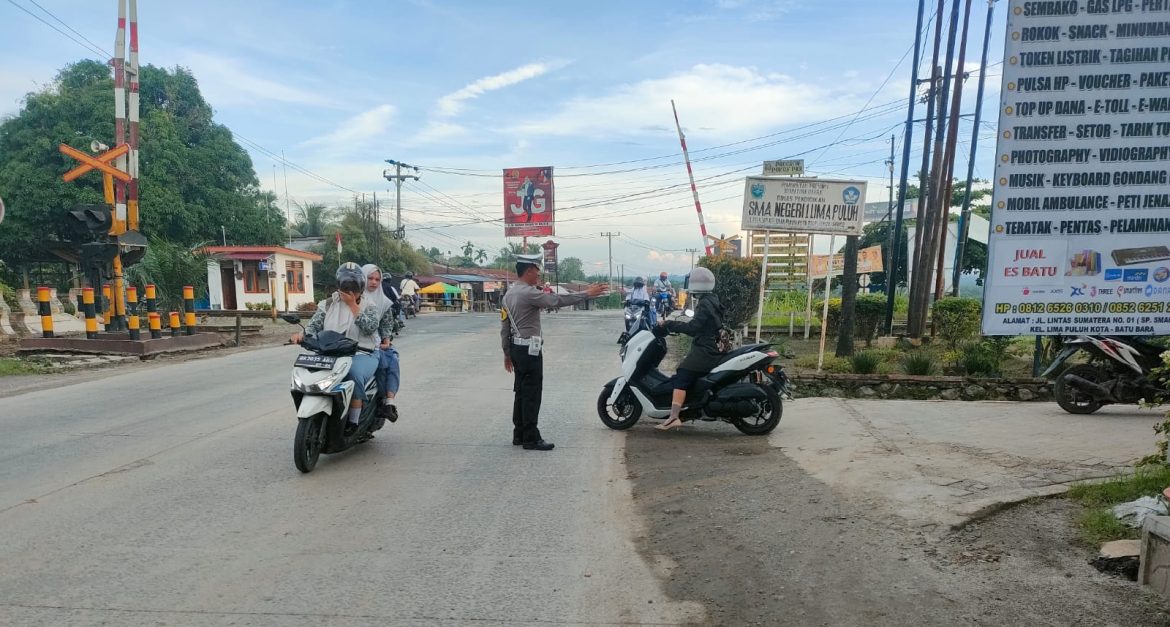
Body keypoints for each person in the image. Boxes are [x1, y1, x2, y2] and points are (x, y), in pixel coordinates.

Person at [501, 254, 608, 450]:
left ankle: (520, 434)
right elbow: (556, 300)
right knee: (532, 393)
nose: (539, 274)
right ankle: (531, 438)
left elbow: (504, 326)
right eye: (537, 270)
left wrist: (507, 353)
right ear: (529, 270)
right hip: (529, 351)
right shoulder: (529, 293)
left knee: (521, 392)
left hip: (516, 349)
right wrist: (586, 293)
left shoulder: (509, 294)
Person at [291, 263, 380, 435]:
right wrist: (302, 335)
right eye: (345, 284)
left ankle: (354, 422)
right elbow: (313, 326)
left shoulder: (370, 306)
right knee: (309, 372)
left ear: (361, 285)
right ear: (339, 284)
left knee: (353, 374)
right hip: (330, 352)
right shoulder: (328, 304)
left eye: (353, 284)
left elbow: (370, 328)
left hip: (363, 352)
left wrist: (353, 305)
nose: (349, 288)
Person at [655, 267, 723, 431]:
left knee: (682, 375)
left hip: (705, 349)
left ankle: (674, 417)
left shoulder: (704, 304)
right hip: (711, 344)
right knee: (685, 372)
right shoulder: (713, 299)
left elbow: (693, 328)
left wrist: (670, 324)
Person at [363, 264, 402, 422]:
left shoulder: (383, 301)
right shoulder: (352, 297)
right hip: (354, 342)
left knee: (392, 358)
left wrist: (386, 340)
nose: (373, 282)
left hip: (375, 342)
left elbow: (386, 323)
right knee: (383, 361)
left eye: (377, 279)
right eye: (370, 278)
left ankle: (388, 401)